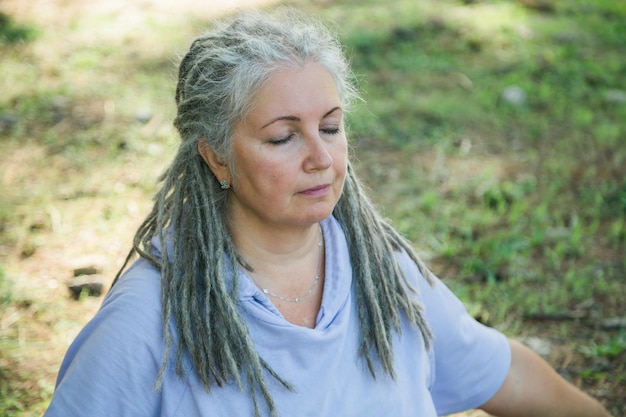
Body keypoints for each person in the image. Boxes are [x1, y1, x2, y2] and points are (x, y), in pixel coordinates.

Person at [44, 8, 611, 417]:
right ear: (216, 156)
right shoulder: (147, 323)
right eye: (283, 138)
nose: (321, 158)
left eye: (331, 128)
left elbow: (500, 373)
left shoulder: (381, 274)